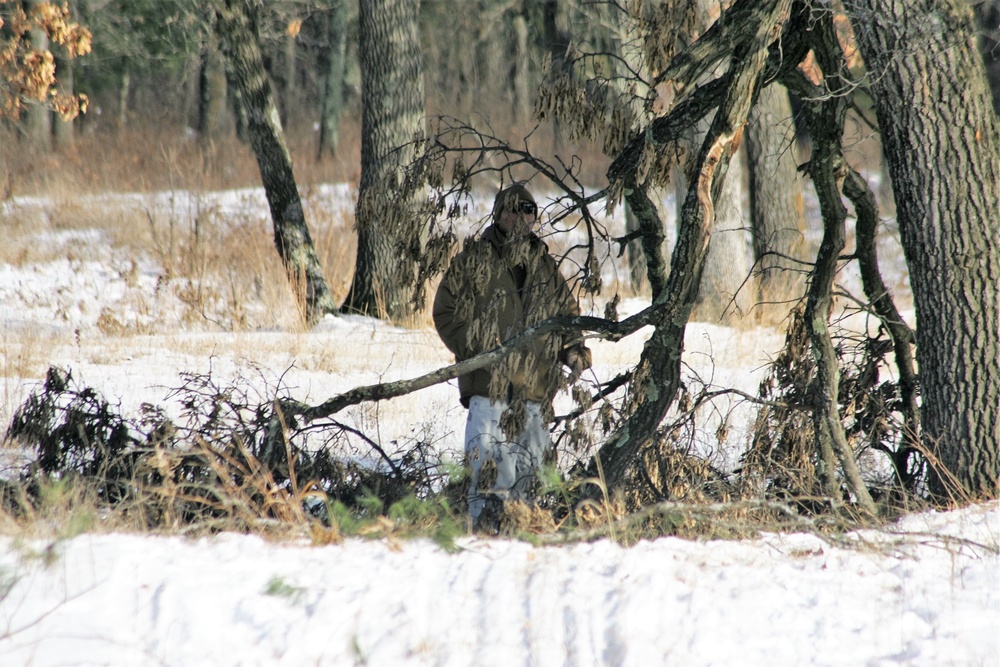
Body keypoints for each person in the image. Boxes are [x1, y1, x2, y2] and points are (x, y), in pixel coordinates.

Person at [433, 183, 591, 531]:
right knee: (487, 478)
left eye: (528, 210)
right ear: (499, 214)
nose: (520, 217)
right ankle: (483, 542)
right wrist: (478, 348)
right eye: (512, 209)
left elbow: (566, 316)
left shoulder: (545, 267)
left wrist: (575, 352)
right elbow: (445, 312)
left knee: (530, 478)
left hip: (534, 394)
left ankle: (525, 544)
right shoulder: (473, 260)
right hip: (489, 390)